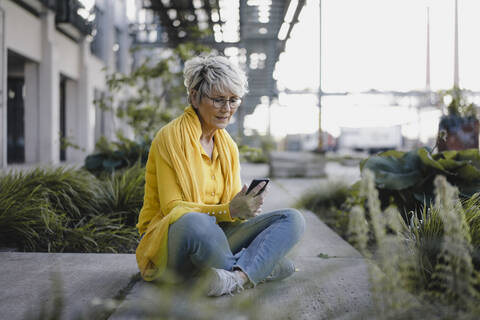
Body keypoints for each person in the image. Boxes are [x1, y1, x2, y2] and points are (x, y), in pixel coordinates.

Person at [135, 54, 305, 296]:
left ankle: (235, 276)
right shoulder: (170, 137)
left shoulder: (227, 146)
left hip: (220, 236)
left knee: (293, 218)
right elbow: (174, 209)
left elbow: (231, 217)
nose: (227, 109)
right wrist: (229, 210)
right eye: (218, 100)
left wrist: (244, 208)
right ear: (194, 96)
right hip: (174, 241)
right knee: (196, 222)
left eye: (233, 100)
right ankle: (256, 268)